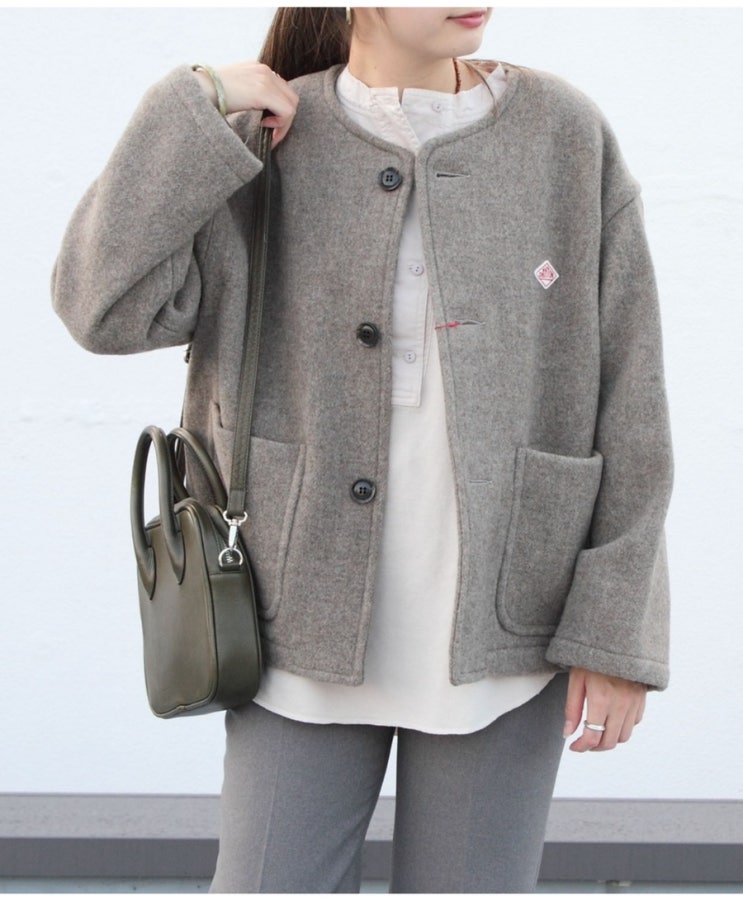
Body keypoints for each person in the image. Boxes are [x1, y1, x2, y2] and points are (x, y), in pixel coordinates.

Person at [52, 7, 673, 893]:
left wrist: (613, 632)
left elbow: (631, 393)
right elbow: (100, 308)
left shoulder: (563, 134)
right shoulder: (262, 138)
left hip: (506, 619)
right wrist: (192, 106)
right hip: (293, 607)